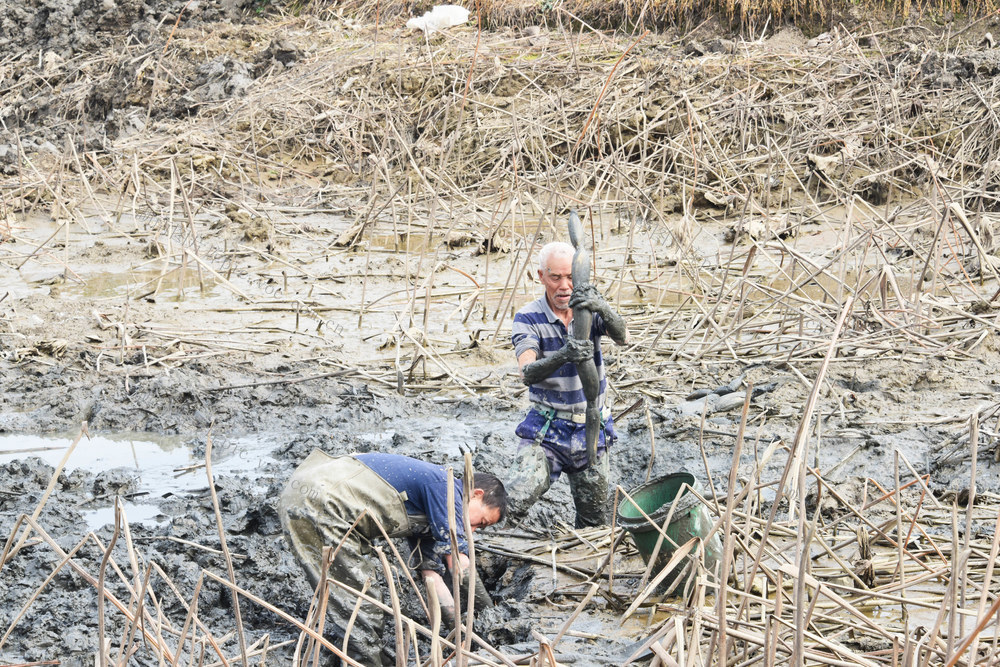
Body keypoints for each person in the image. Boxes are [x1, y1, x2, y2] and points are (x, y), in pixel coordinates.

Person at [279, 450, 506, 666]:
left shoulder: (430, 515)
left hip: (307, 496)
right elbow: (458, 563)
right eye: (480, 522)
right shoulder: (444, 486)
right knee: (359, 600)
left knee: (346, 595)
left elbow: (431, 577)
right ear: (476, 494)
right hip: (323, 501)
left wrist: (457, 630)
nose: (472, 530)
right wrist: (489, 617)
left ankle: (367, 657)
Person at [508, 240, 628, 528]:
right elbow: (527, 372)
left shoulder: (589, 311)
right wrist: (564, 355)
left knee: (594, 521)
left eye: (571, 277)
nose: (564, 286)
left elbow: (622, 336)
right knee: (514, 501)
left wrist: (603, 307)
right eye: (556, 277)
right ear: (540, 277)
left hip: (591, 427)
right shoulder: (528, 317)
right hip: (547, 428)